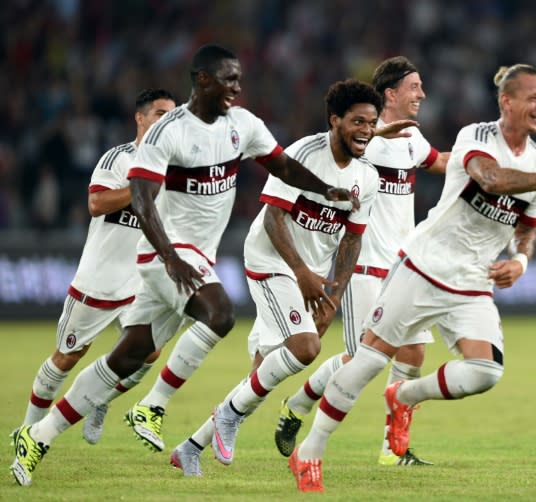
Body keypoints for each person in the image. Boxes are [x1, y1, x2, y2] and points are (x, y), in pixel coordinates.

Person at [10, 43, 359, 487]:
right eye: (227, 79)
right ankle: (195, 411)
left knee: (128, 357)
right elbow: (140, 197)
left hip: (194, 257)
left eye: (239, 79)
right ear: (202, 81)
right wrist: (170, 257)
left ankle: (39, 434)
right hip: (167, 256)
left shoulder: (243, 125)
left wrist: (328, 191)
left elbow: (285, 166)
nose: (236, 87)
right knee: (221, 313)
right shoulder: (167, 133)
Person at [287, 64, 536, 493]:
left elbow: (527, 229)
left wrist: (521, 261)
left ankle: (404, 397)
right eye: (534, 97)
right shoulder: (477, 136)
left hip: (473, 281)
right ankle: (310, 451)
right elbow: (489, 178)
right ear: (507, 101)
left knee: (485, 371)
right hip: (423, 265)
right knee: (371, 359)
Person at [168, 78, 380, 477]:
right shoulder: (303, 154)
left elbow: (352, 241)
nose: (366, 130)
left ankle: (190, 447)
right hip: (271, 258)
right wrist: (301, 273)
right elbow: (272, 216)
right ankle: (228, 416)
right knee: (305, 348)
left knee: (261, 374)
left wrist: (333, 296)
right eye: (358, 121)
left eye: (371, 122)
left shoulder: (367, 177)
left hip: (312, 274)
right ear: (335, 119)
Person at [273, 56, 449, 467]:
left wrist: (484, 160)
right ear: (391, 93)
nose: (422, 94)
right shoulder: (361, 141)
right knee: (364, 357)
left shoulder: (410, 140)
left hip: (404, 265)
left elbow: (440, 161)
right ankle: (297, 407)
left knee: (412, 354)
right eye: (415, 87)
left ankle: (393, 450)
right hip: (365, 262)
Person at [15, 88, 176, 445]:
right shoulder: (119, 159)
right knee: (67, 357)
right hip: (99, 280)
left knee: (147, 352)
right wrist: (141, 189)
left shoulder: (174, 170)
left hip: (141, 282)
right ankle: (27, 430)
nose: (169, 122)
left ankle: (99, 397)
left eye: (173, 115)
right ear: (141, 118)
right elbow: (96, 202)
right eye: (161, 113)